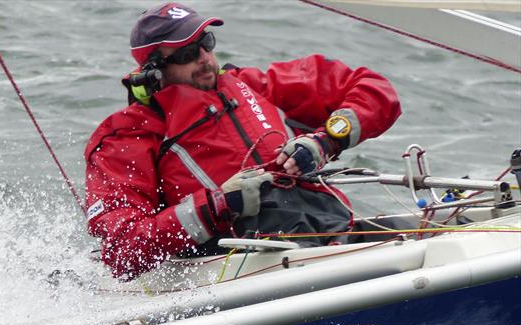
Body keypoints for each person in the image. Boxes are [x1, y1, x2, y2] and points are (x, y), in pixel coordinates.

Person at [83, 2, 401, 279]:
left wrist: (327, 140)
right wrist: (219, 204)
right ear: (154, 70)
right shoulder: (127, 135)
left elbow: (374, 89)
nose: (206, 59)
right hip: (252, 266)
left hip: (331, 236)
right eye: (189, 53)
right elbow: (122, 249)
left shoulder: (254, 84)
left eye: (207, 42)